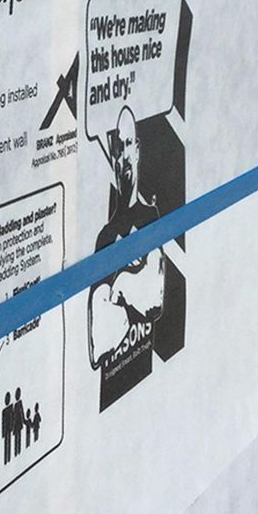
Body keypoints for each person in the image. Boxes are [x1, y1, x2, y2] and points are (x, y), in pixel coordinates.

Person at [87, 106, 165, 368]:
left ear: (138, 150)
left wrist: (117, 287)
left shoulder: (151, 216)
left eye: (129, 144)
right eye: (119, 149)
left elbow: (154, 302)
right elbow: (99, 344)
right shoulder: (105, 238)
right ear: (113, 158)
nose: (125, 156)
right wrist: (135, 283)